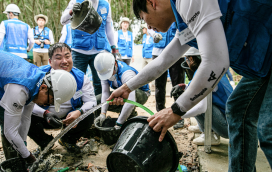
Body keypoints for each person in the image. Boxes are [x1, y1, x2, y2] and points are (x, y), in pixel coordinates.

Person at [108, 0, 272, 171]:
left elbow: (216, 62)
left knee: (268, 129)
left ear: (152, 3)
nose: (148, 27)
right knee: (239, 110)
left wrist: (176, 110)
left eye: (144, 18)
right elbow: (163, 61)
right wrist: (127, 87)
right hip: (262, 64)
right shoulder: (184, 20)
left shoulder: (188, 1)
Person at [0, 48, 77, 165]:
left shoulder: (38, 81)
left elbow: (25, 118)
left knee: (6, 120)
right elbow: (10, 131)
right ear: (44, 88)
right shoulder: (19, 90)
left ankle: (13, 162)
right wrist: (29, 157)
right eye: (49, 101)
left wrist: (23, 144)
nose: (47, 105)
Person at [28, 43, 96, 152]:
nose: (64, 61)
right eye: (59, 58)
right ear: (50, 61)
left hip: (71, 119)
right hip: (44, 118)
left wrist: (78, 112)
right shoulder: (39, 75)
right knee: (25, 116)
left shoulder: (81, 78)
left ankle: (68, 140)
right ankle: (45, 143)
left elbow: (91, 101)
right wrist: (45, 114)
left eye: (67, 56)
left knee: (88, 116)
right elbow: (27, 102)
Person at [171, 47, 233, 145]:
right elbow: (199, 86)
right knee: (195, 96)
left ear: (191, 59)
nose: (186, 61)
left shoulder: (204, 74)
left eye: (187, 59)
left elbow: (201, 107)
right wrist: (184, 86)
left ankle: (209, 135)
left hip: (228, 128)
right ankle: (203, 127)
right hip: (232, 122)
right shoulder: (211, 69)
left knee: (195, 100)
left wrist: (178, 116)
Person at [60, 0, 117, 96]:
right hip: (79, 51)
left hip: (99, 51)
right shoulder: (76, 2)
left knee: (99, 83)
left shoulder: (105, 4)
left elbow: (108, 27)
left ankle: (97, 109)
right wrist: (71, 12)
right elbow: (63, 21)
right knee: (77, 82)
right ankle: (79, 108)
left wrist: (113, 47)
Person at [94, 53, 150, 128]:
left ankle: (131, 115)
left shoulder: (127, 73)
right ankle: (100, 123)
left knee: (128, 100)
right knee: (97, 101)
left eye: (109, 74)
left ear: (115, 64)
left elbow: (131, 101)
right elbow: (105, 93)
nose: (108, 77)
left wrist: (119, 123)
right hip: (122, 94)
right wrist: (103, 113)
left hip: (140, 93)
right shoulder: (103, 70)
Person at [148, 22, 185, 129]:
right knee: (159, 84)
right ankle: (159, 112)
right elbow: (149, 27)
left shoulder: (177, 7)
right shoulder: (155, 7)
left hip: (177, 51)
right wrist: (153, 34)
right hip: (158, 51)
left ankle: (179, 115)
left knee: (178, 84)